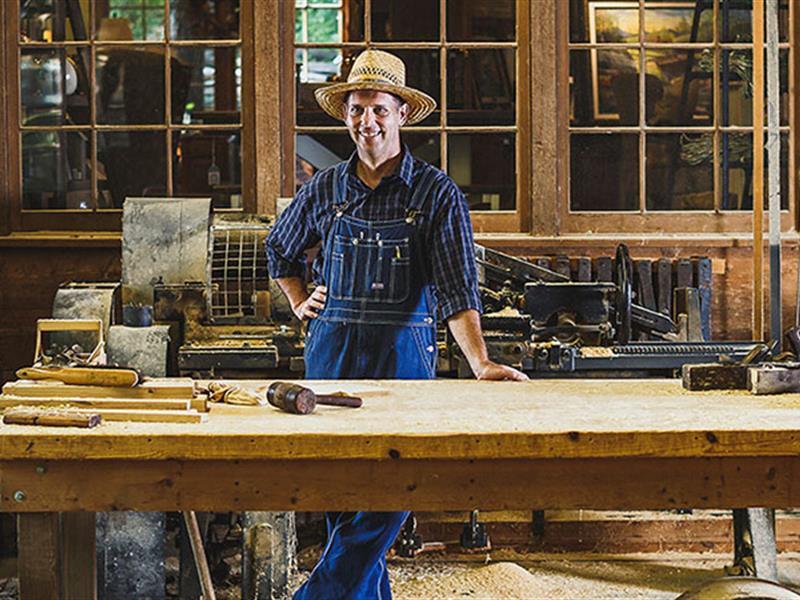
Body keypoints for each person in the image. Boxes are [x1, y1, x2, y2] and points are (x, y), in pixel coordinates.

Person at [266, 48, 527, 600]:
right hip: (332, 357)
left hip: (403, 362)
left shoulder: (436, 193)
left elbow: (457, 289)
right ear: (346, 115)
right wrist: (299, 300)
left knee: (394, 489)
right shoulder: (324, 188)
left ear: (402, 114)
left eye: (379, 109)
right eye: (357, 109)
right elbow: (279, 249)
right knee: (340, 495)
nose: (368, 121)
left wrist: (480, 362)